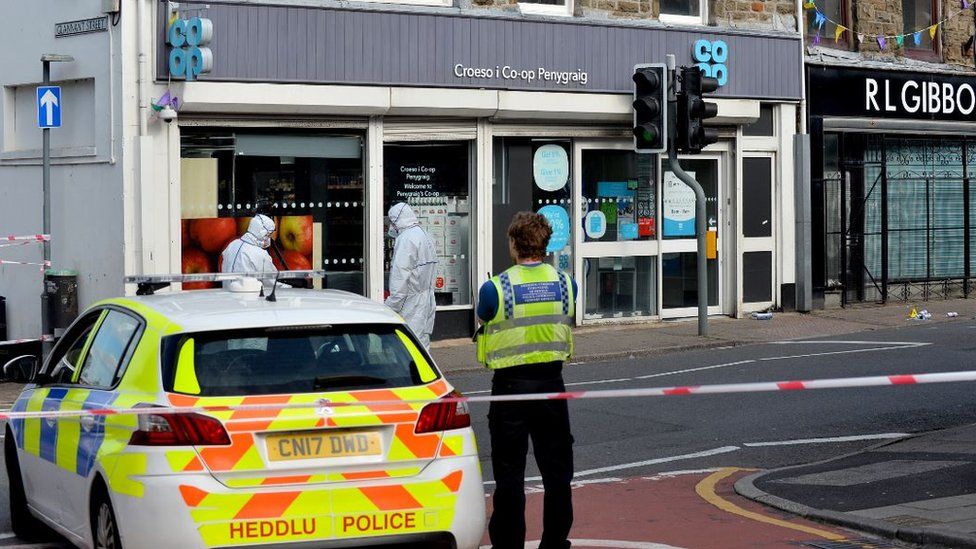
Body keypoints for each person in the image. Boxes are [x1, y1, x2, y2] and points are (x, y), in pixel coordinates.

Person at [477, 211, 578, 549]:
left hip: (510, 389)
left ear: (514, 243)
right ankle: (554, 542)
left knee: (509, 475)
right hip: (552, 385)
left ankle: (509, 545)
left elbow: (485, 314)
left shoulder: (496, 288)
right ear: (545, 243)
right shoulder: (567, 283)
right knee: (557, 473)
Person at [385, 202, 438, 349]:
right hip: (427, 300)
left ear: (397, 220)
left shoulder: (406, 239)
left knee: (408, 347)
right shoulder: (424, 234)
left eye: (392, 222)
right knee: (422, 344)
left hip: (411, 303)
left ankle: (414, 373)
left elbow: (400, 278)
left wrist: (390, 306)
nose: (391, 227)